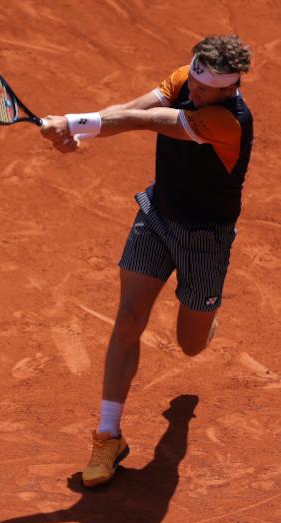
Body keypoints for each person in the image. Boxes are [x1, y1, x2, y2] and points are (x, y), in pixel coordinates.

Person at [40, 35, 253, 487]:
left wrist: (76, 121)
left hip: (205, 239)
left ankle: (205, 313)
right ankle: (107, 435)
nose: (192, 89)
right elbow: (131, 107)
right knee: (128, 318)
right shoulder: (186, 81)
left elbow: (148, 120)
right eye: (191, 79)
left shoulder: (228, 121)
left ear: (228, 89)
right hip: (157, 216)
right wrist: (79, 131)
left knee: (191, 345)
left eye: (202, 88)